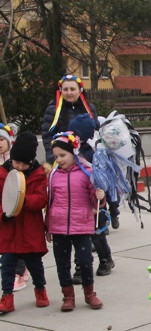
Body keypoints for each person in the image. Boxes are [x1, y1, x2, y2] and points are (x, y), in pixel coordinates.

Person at [46, 132, 104, 311]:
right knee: (62, 263)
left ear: (74, 152)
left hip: (82, 224)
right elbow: (49, 202)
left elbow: (95, 202)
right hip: (59, 226)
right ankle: (68, 296)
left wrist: (99, 196)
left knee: (85, 261)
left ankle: (89, 293)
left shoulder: (87, 173)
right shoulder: (54, 175)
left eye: (63, 155)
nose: (59, 159)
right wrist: (47, 226)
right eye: (56, 157)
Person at [0, 132, 49, 312]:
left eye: (23, 164)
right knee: (7, 266)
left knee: (35, 265)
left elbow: (41, 199)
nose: (19, 167)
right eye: (16, 163)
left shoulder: (38, 174)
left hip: (30, 229)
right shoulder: (3, 173)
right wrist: (4, 212)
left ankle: (40, 290)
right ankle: (7, 297)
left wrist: (22, 200)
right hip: (10, 230)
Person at [67, 113, 116, 280]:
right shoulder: (70, 151)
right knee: (79, 235)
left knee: (97, 233)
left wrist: (101, 196)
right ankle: (81, 266)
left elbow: (104, 176)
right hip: (77, 199)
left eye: (74, 131)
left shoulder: (96, 151)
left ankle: (105, 259)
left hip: (96, 200)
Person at [41, 75, 99, 168]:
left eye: (72, 89)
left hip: (87, 158)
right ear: (61, 91)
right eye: (65, 89)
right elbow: (47, 136)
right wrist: (52, 157)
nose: (69, 92)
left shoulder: (90, 108)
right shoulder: (53, 109)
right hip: (63, 159)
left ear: (80, 90)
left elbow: (96, 131)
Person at [0, 124, 30, 292]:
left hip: (15, 205)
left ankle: (19, 272)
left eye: (2, 139)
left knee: (15, 242)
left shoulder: (14, 162)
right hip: (2, 209)